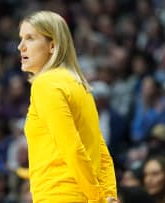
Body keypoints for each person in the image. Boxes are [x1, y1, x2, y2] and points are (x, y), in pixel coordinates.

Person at [18, 11, 118, 202]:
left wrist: (98, 198)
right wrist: (108, 195)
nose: (20, 46)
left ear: (52, 45)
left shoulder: (45, 84)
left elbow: (72, 148)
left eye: (30, 38)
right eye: (21, 38)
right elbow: (102, 152)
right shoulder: (80, 84)